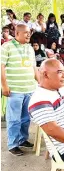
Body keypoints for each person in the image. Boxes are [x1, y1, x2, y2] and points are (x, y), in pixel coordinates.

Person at [1, 24, 39, 156]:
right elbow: (1, 67)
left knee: (26, 118)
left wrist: (40, 84)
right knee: (14, 119)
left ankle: (23, 140)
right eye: (25, 33)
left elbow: (34, 68)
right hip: (15, 90)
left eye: (29, 32)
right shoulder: (7, 46)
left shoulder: (29, 48)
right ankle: (13, 144)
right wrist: (4, 86)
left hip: (30, 88)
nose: (28, 35)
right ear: (17, 33)